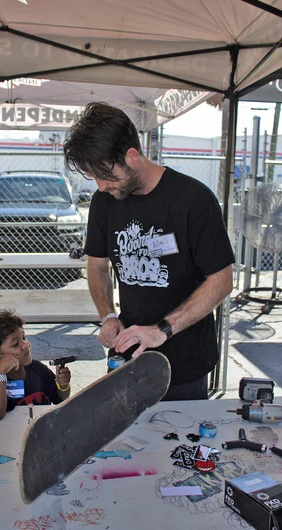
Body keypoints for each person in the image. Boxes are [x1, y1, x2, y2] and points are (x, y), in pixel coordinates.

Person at [64, 102, 235, 401]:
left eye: (107, 175)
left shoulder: (193, 200)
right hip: (128, 356)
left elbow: (221, 281)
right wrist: (107, 316)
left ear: (131, 156)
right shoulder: (103, 202)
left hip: (185, 362)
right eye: (94, 177)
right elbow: (97, 266)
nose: (101, 185)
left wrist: (162, 330)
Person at [0, 309, 71, 420]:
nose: (25, 345)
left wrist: (63, 385)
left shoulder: (39, 369)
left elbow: (59, 398)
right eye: (15, 344)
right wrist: (0, 371)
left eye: (24, 337)